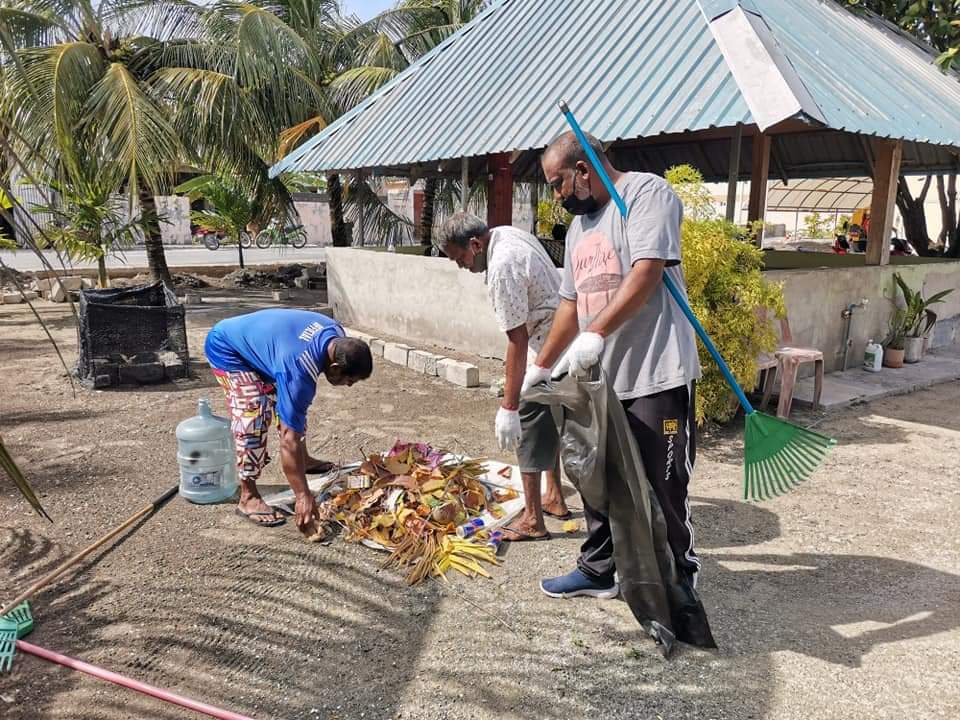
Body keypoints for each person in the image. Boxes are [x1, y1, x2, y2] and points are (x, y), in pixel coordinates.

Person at [522, 131, 702, 600]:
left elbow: (646, 272)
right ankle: (599, 568)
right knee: (595, 477)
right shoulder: (581, 227)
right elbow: (568, 304)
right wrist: (540, 367)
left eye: (558, 183)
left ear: (583, 171)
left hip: (655, 371)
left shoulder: (647, 194)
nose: (557, 196)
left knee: (662, 484)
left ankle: (676, 581)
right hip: (601, 381)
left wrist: (595, 333)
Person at [436, 212, 570, 541]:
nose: (461, 266)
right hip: (561, 341)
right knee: (550, 421)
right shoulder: (508, 234)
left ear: (475, 244)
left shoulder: (501, 266)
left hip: (545, 348)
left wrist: (509, 406)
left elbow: (517, 339)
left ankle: (533, 521)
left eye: (461, 258)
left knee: (526, 426)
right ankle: (554, 497)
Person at [204, 309, 373, 537]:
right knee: (254, 414)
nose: (349, 385)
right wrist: (303, 495)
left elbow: (294, 411)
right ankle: (248, 496)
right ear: (334, 367)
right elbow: (288, 439)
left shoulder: (335, 333)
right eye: (349, 379)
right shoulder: (298, 370)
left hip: (267, 349)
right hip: (228, 348)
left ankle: (303, 461)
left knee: (294, 408)